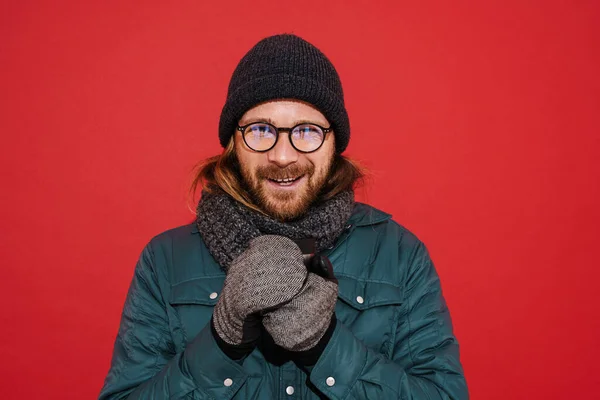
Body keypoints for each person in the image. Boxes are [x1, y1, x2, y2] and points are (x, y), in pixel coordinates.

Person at [99, 33, 468, 399]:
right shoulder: (165, 260)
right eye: (261, 130)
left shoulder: (399, 254)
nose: (283, 156)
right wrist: (221, 344)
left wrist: (327, 348)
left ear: (335, 142)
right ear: (232, 142)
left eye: (307, 131)